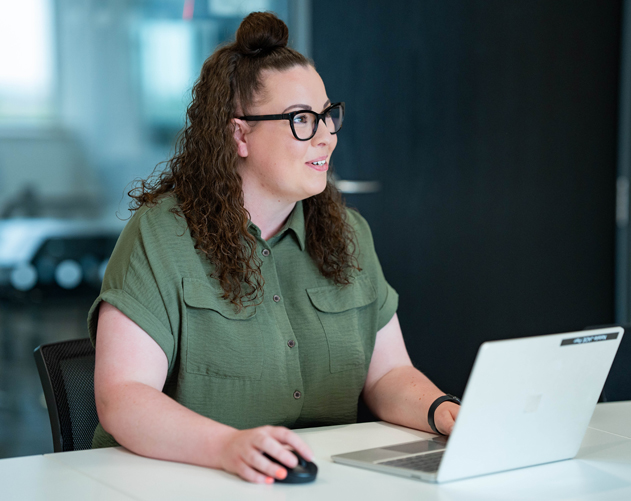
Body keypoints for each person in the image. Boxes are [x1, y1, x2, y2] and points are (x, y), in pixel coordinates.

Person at [89, 11, 459, 484]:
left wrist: (444, 412)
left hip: (322, 483)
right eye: (302, 119)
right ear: (240, 134)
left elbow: (388, 376)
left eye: (328, 114)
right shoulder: (160, 235)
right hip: (182, 482)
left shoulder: (350, 232)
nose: (327, 134)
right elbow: (123, 397)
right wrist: (227, 447)